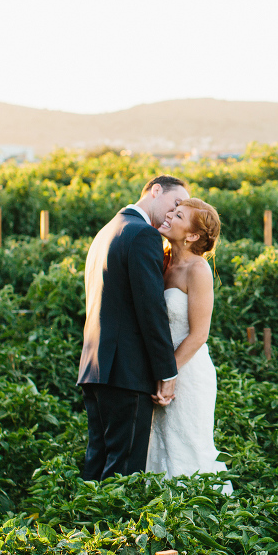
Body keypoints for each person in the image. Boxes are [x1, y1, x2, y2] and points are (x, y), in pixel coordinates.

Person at [78, 175, 189, 481]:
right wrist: (167, 372)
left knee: (97, 464)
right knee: (123, 474)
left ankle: (85, 527)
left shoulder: (108, 230)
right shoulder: (142, 234)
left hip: (96, 368)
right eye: (176, 203)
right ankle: (112, 529)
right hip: (126, 372)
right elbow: (150, 309)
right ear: (155, 191)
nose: (174, 213)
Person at [145, 198, 232, 494]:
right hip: (162, 369)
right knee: (159, 445)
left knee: (189, 447)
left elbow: (198, 335)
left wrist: (168, 375)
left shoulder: (198, 270)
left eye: (178, 215)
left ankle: (203, 521)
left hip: (188, 373)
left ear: (192, 235)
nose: (169, 215)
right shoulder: (165, 259)